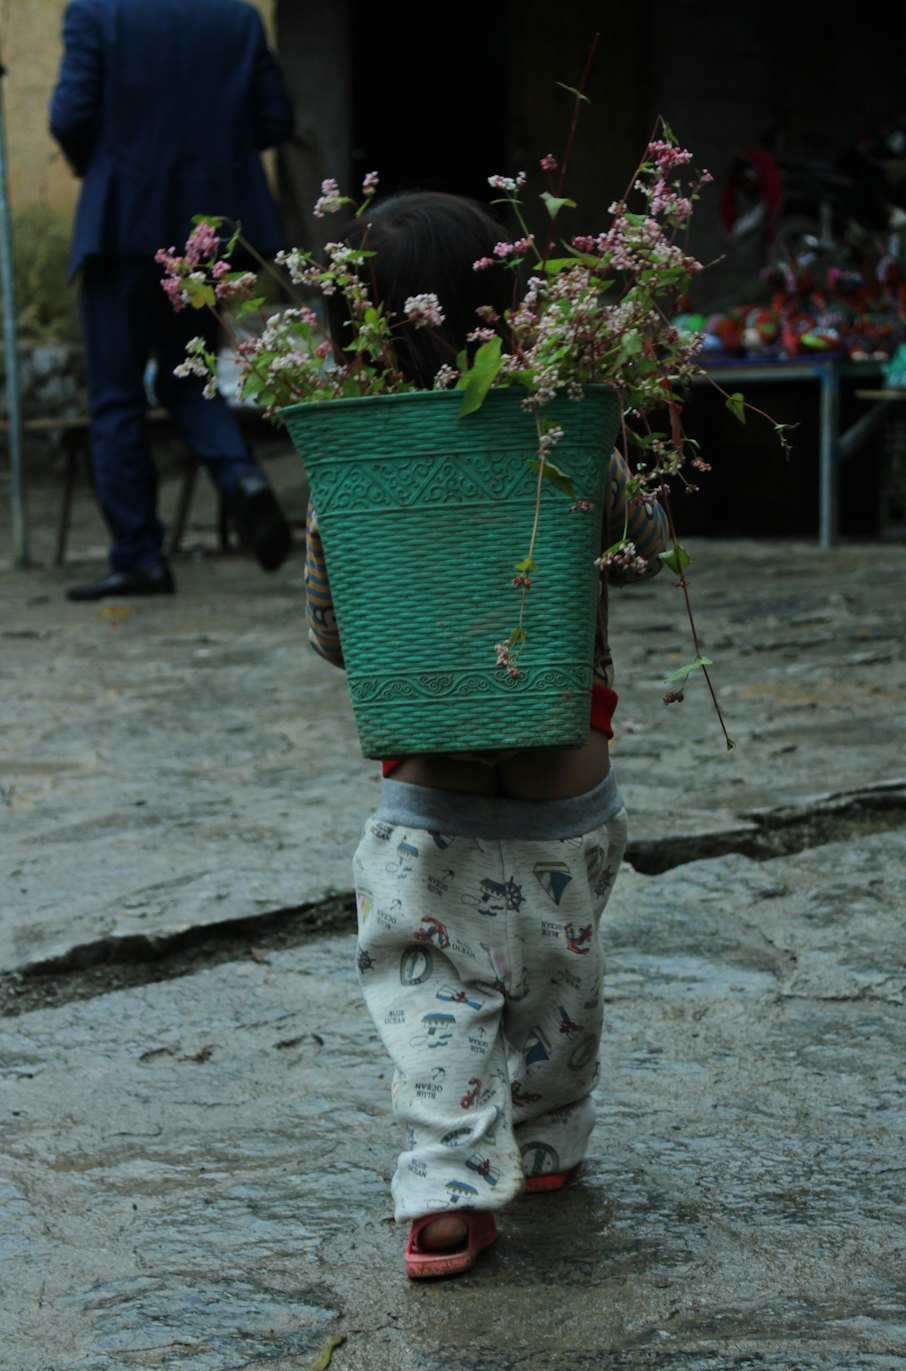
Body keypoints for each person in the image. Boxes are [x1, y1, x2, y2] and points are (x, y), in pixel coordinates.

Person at [305, 192, 668, 1279]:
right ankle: (548, 1144)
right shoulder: (564, 438)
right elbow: (645, 550)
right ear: (508, 308)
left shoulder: (353, 473)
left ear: (346, 331)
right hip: (569, 792)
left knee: (432, 1001)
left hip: (432, 801)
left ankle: (450, 1195)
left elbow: (335, 636)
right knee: (564, 981)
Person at [49, 0, 296, 601]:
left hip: (121, 225)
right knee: (188, 378)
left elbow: (70, 115)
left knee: (115, 396)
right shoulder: (235, 18)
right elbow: (275, 118)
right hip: (205, 228)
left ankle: (139, 557)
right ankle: (241, 478)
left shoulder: (96, 14)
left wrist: (106, 164)